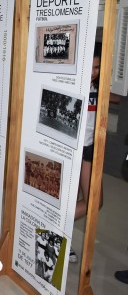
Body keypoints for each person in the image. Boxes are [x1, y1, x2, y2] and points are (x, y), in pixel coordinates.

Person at [70, 42, 120, 263]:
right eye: (89, 67)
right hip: (70, 150)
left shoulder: (98, 88)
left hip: (89, 149)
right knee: (67, 200)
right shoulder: (71, 83)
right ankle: (58, 236)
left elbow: (116, 97)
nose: (92, 72)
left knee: (94, 202)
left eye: (97, 68)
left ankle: (56, 229)